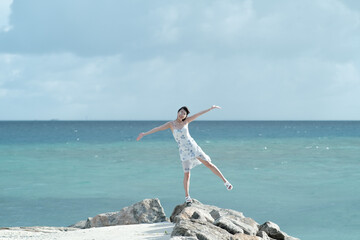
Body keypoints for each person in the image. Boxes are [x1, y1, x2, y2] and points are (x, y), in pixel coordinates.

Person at [136, 105, 233, 205]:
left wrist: (210, 109)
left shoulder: (186, 121)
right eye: (181, 112)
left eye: (184, 113)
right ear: (178, 112)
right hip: (184, 151)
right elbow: (158, 128)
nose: (182, 114)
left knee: (209, 164)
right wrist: (144, 134)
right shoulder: (171, 124)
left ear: (186, 116)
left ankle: (226, 182)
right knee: (187, 174)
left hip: (193, 147)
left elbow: (198, 114)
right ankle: (187, 197)